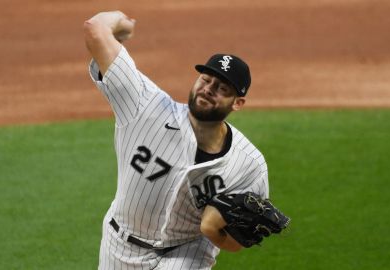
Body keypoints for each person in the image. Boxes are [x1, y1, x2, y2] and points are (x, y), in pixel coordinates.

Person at [83, 10, 269, 270]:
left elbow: (239, 240)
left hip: (188, 252)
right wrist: (122, 25)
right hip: (119, 245)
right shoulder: (144, 105)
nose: (209, 89)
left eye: (222, 88)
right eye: (206, 79)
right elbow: (95, 28)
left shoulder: (249, 165)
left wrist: (214, 232)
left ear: (237, 103)